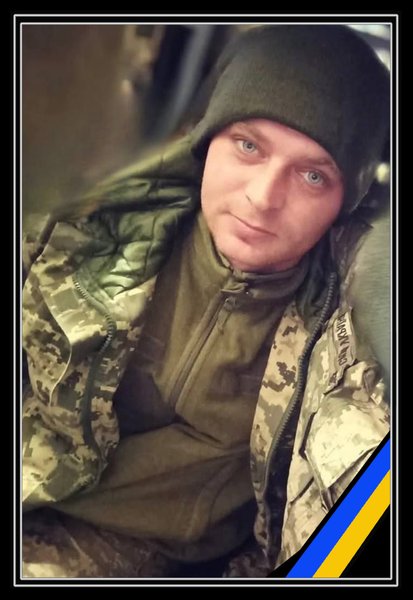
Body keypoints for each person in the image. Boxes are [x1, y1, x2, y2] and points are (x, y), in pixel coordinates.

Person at [22, 24, 390, 578]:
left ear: (346, 202)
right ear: (206, 140)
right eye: (248, 146)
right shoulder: (77, 225)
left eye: (313, 175)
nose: (262, 197)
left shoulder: (348, 331)